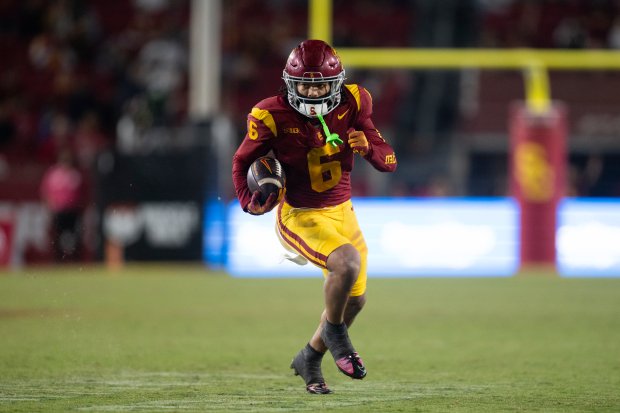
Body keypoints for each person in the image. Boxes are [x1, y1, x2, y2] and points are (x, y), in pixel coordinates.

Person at [231, 39, 397, 394]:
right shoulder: (270, 114)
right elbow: (241, 160)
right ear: (289, 83)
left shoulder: (355, 101)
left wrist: (369, 149)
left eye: (320, 83)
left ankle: (309, 356)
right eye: (304, 83)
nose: (311, 90)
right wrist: (249, 201)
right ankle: (337, 336)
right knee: (347, 264)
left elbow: (388, 160)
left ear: (335, 83)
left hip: (343, 212)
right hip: (300, 214)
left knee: (355, 299)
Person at [40, 149, 85, 262]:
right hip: (59, 210)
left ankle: (75, 259)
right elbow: (46, 193)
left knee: (75, 236)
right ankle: (58, 260)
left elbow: (80, 194)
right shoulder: (53, 174)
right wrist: (50, 207)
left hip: (72, 210)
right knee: (57, 236)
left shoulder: (75, 174)